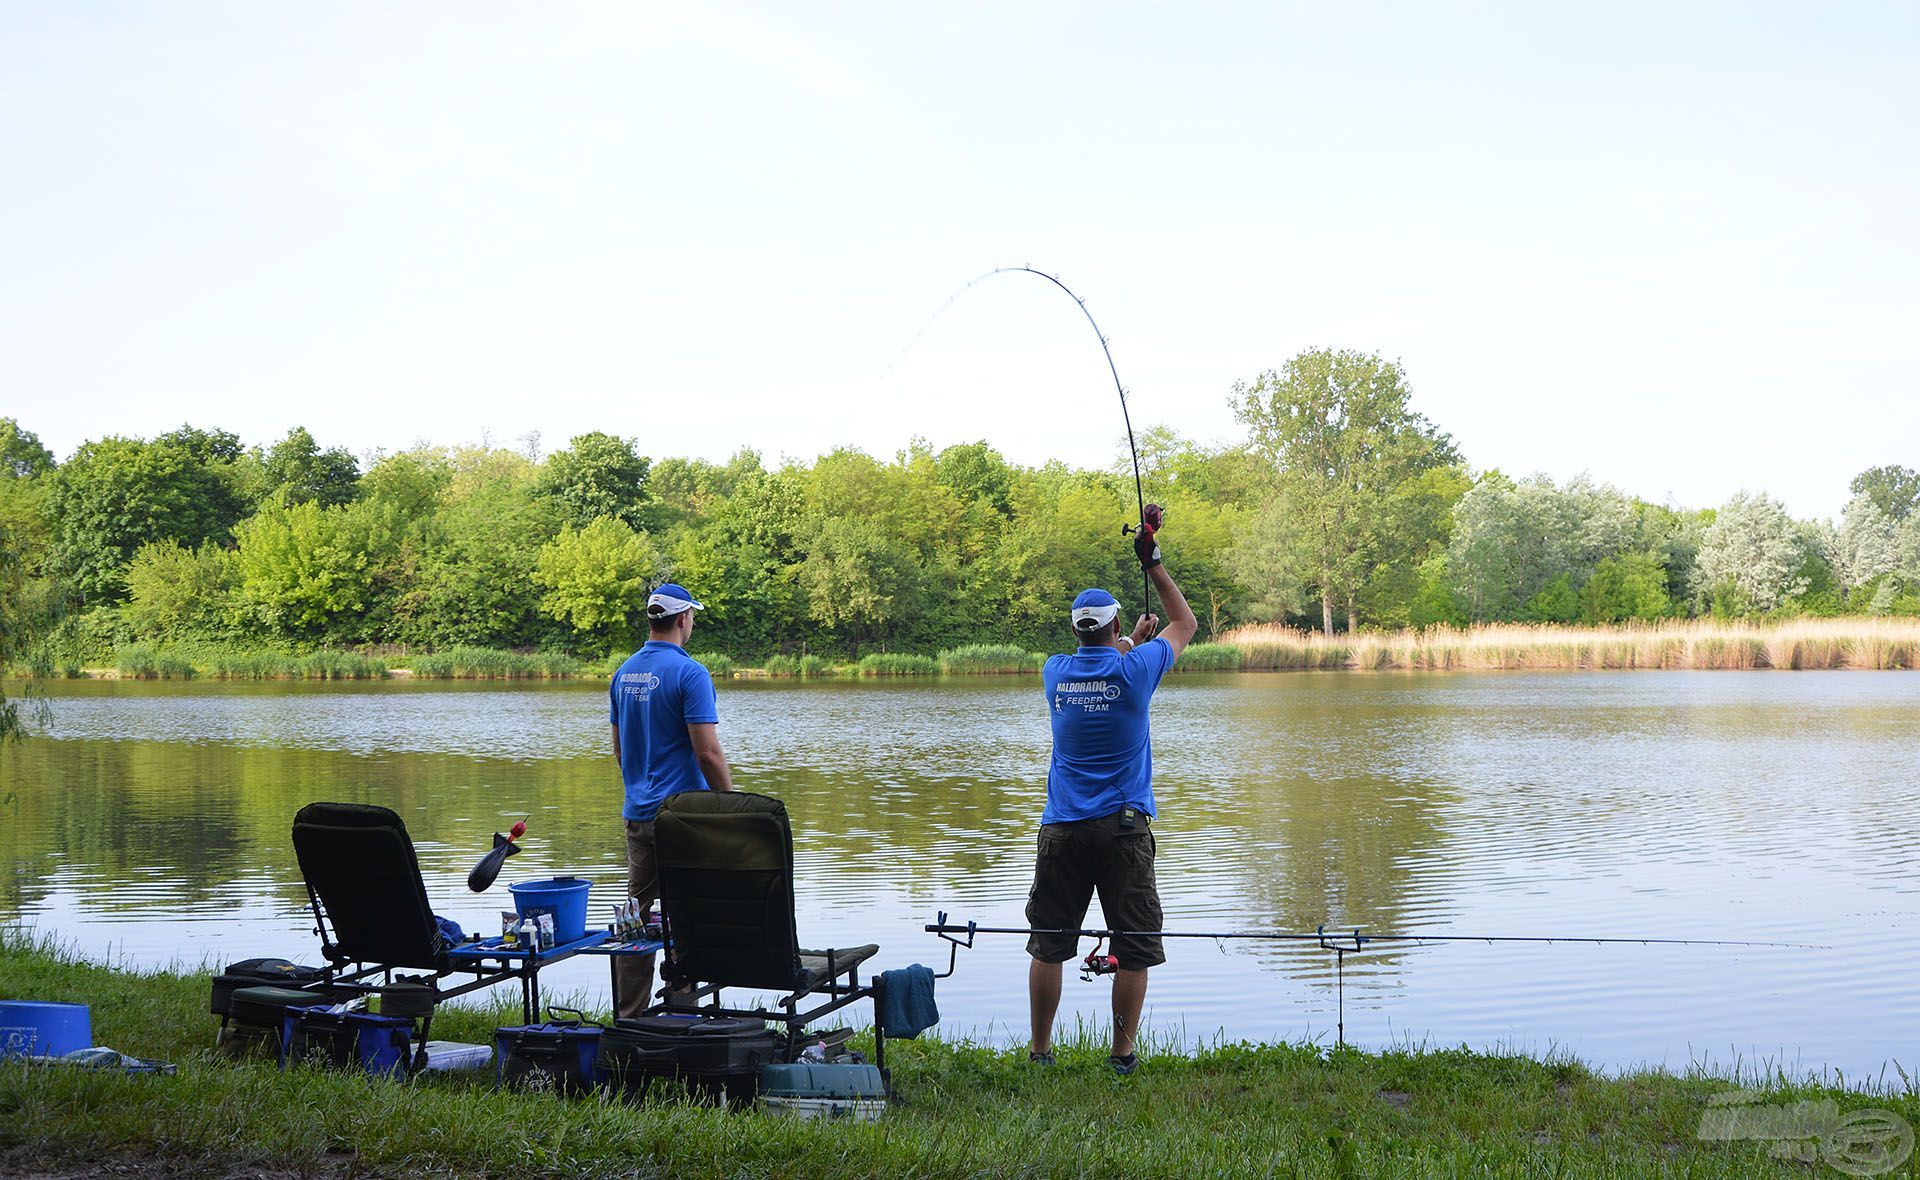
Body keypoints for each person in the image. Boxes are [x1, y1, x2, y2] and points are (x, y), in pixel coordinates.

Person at [1026, 503, 1196, 1075]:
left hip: (1062, 828)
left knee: (1049, 943)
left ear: (1076, 629)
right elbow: (1186, 625)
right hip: (1123, 829)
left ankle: (1041, 1052)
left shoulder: (1054, 672)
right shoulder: (1136, 669)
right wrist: (1153, 565)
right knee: (1133, 946)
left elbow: (1095, 661)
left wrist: (1127, 645)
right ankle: (1121, 1056)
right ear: (1119, 626)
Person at [608, 582, 734, 1018]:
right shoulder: (690, 673)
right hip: (683, 818)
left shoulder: (623, 673)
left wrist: (640, 790)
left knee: (636, 921)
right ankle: (683, 1013)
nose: (692, 622)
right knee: (689, 917)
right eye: (693, 616)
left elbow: (620, 751)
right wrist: (731, 804)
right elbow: (708, 752)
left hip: (638, 814)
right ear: (682, 620)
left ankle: (630, 1018)